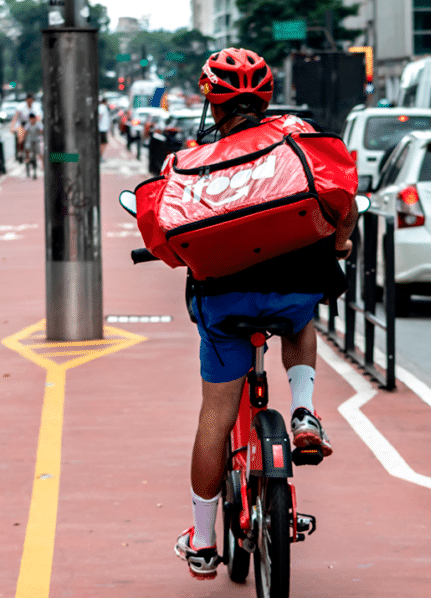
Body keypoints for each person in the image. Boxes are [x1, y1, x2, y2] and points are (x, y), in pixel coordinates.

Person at [172, 47, 358, 580]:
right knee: (302, 316)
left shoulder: (192, 163)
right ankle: (303, 411)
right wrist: (340, 245)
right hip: (292, 292)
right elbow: (343, 196)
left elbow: (166, 239)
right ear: (268, 96)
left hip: (226, 304)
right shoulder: (299, 139)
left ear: (211, 101)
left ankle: (204, 544)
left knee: (216, 417)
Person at [10, 93, 41, 162]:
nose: (30, 103)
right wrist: (12, 127)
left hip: (32, 125)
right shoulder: (21, 107)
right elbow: (15, 118)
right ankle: (20, 152)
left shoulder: (36, 106)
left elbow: (39, 117)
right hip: (22, 125)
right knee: (20, 138)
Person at [24, 112, 44, 178]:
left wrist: (41, 132)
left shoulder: (38, 124)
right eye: (31, 119)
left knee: (40, 154)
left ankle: (40, 168)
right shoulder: (28, 125)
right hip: (29, 142)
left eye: (33, 119)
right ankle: (27, 167)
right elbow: (25, 133)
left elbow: (41, 131)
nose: (32, 120)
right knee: (29, 155)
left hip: (36, 142)